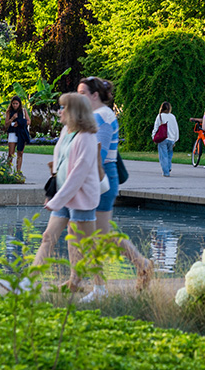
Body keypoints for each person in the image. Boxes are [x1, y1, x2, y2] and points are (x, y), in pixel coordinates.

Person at [77, 76, 153, 301]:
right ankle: (141, 264)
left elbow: (96, 155)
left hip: (99, 177)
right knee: (100, 234)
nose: (78, 97)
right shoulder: (98, 115)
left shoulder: (102, 117)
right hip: (99, 177)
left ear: (94, 95)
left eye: (82, 93)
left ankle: (99, 288)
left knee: (90, 235)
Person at [24, 92, 101, 293]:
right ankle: (28, 283)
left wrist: (57, 199)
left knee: (85, 244)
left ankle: (100, 290)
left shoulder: (87, 138)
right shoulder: (67, 131)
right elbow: (61, 160)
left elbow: (79, 174)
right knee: (48, 236)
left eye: (63, 108)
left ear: (74, 111)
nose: (59, 112)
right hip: (64, 195)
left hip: (81, 198)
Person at [152, 102, 179, 177]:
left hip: (163, 138)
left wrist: (153, 137)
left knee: (163, 155)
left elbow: (156, 128)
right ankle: (168, 167)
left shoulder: (160, 116)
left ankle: (166, 172)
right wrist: (175, 139)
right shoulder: (173, 116)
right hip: (171, 139)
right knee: (169, 154)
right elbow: (176, 128)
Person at [5, 96, 30, 173]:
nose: (15, 105)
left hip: (21, 133)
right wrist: (12, 118)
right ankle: (8, 170)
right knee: (11, 153)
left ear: (19, 104)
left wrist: (19, 122)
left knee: (20, 152)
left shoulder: (23, 111)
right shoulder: (9, 112)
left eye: (16, 103)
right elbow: (6, 124)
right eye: (13, 103)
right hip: (12, 132)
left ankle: (18, 171)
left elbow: (28, 121)